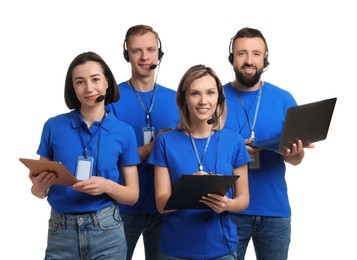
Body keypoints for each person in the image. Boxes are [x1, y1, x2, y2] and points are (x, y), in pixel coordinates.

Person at [29, 51, 140, 260]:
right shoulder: (53, 126)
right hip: (60, 231)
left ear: (107, 82)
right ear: (72, 87)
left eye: (95, 79)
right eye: (80, 82)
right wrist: (40, 187)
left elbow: (133, 195)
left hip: (107, 230)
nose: (89, 88)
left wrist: (107, 186)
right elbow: (38, 191)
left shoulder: (124, 132)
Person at [224, 27, 315, 260]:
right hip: (229, 209)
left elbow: (296, 159)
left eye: (256, 53)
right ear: (231, 57)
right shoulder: (215, 98)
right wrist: (232, 152)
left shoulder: (284, 99)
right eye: (242, 53)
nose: (249, 60)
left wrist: (294, 154)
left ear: (265, 59)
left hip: (275, 211)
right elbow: (199, 149)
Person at [147, 64, 251, 260]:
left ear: (218, 98)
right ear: (184, 99)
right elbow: (161, 204)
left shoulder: (234, 140)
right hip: (175, 251)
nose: (203, 101)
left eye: (210, 93)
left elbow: (243, 198)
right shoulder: (165, 141)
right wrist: (188, 190)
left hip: (222, 250)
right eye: (195, 93)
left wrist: (227, 204)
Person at [109, 24, 179, 260]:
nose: (145, 56)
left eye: (150, 49)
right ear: (126, 54)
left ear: (160, 53)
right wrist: (153, 147)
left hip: (166, 207)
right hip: (122, 209)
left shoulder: (177, 99)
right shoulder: (111, 99)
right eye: (137, 50)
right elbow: (110, 161)